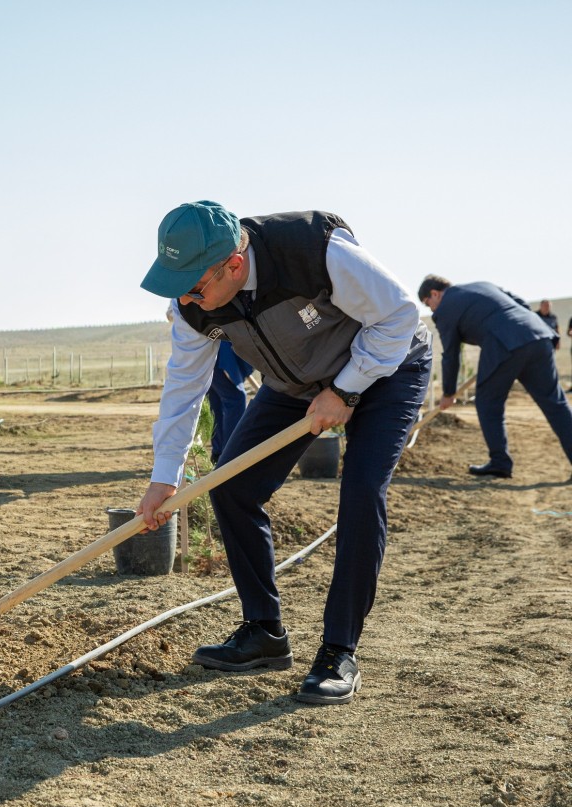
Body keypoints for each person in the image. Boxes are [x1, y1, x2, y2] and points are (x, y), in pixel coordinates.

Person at [137, 201, 430, 705]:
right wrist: (165, 476)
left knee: (360, 491)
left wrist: (345, 389)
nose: (186, 296)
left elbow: (400, 316)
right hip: (295, 385)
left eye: (193, 284)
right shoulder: (193, 306)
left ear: (233, 263)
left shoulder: (315, 251)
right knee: (231, 487)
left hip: (388, 365)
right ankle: (264, 633)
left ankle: (339, 649)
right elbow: (185, 387)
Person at [418, 276, 572, 478]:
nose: (432, 310)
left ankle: (500, 462)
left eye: (428, 304)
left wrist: (448, 393)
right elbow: (522, 304)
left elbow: (451, 354)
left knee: (488, 402)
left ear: (435, 293)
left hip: (504, 345)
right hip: (538, 336)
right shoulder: (483, 285)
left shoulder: (446, 309)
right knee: (556, 404)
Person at [207, 340, 254, 464]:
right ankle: (232, 453)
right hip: (221, 353)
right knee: (236, 399)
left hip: (208, 353)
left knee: (216, 403)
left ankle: (218, 453)